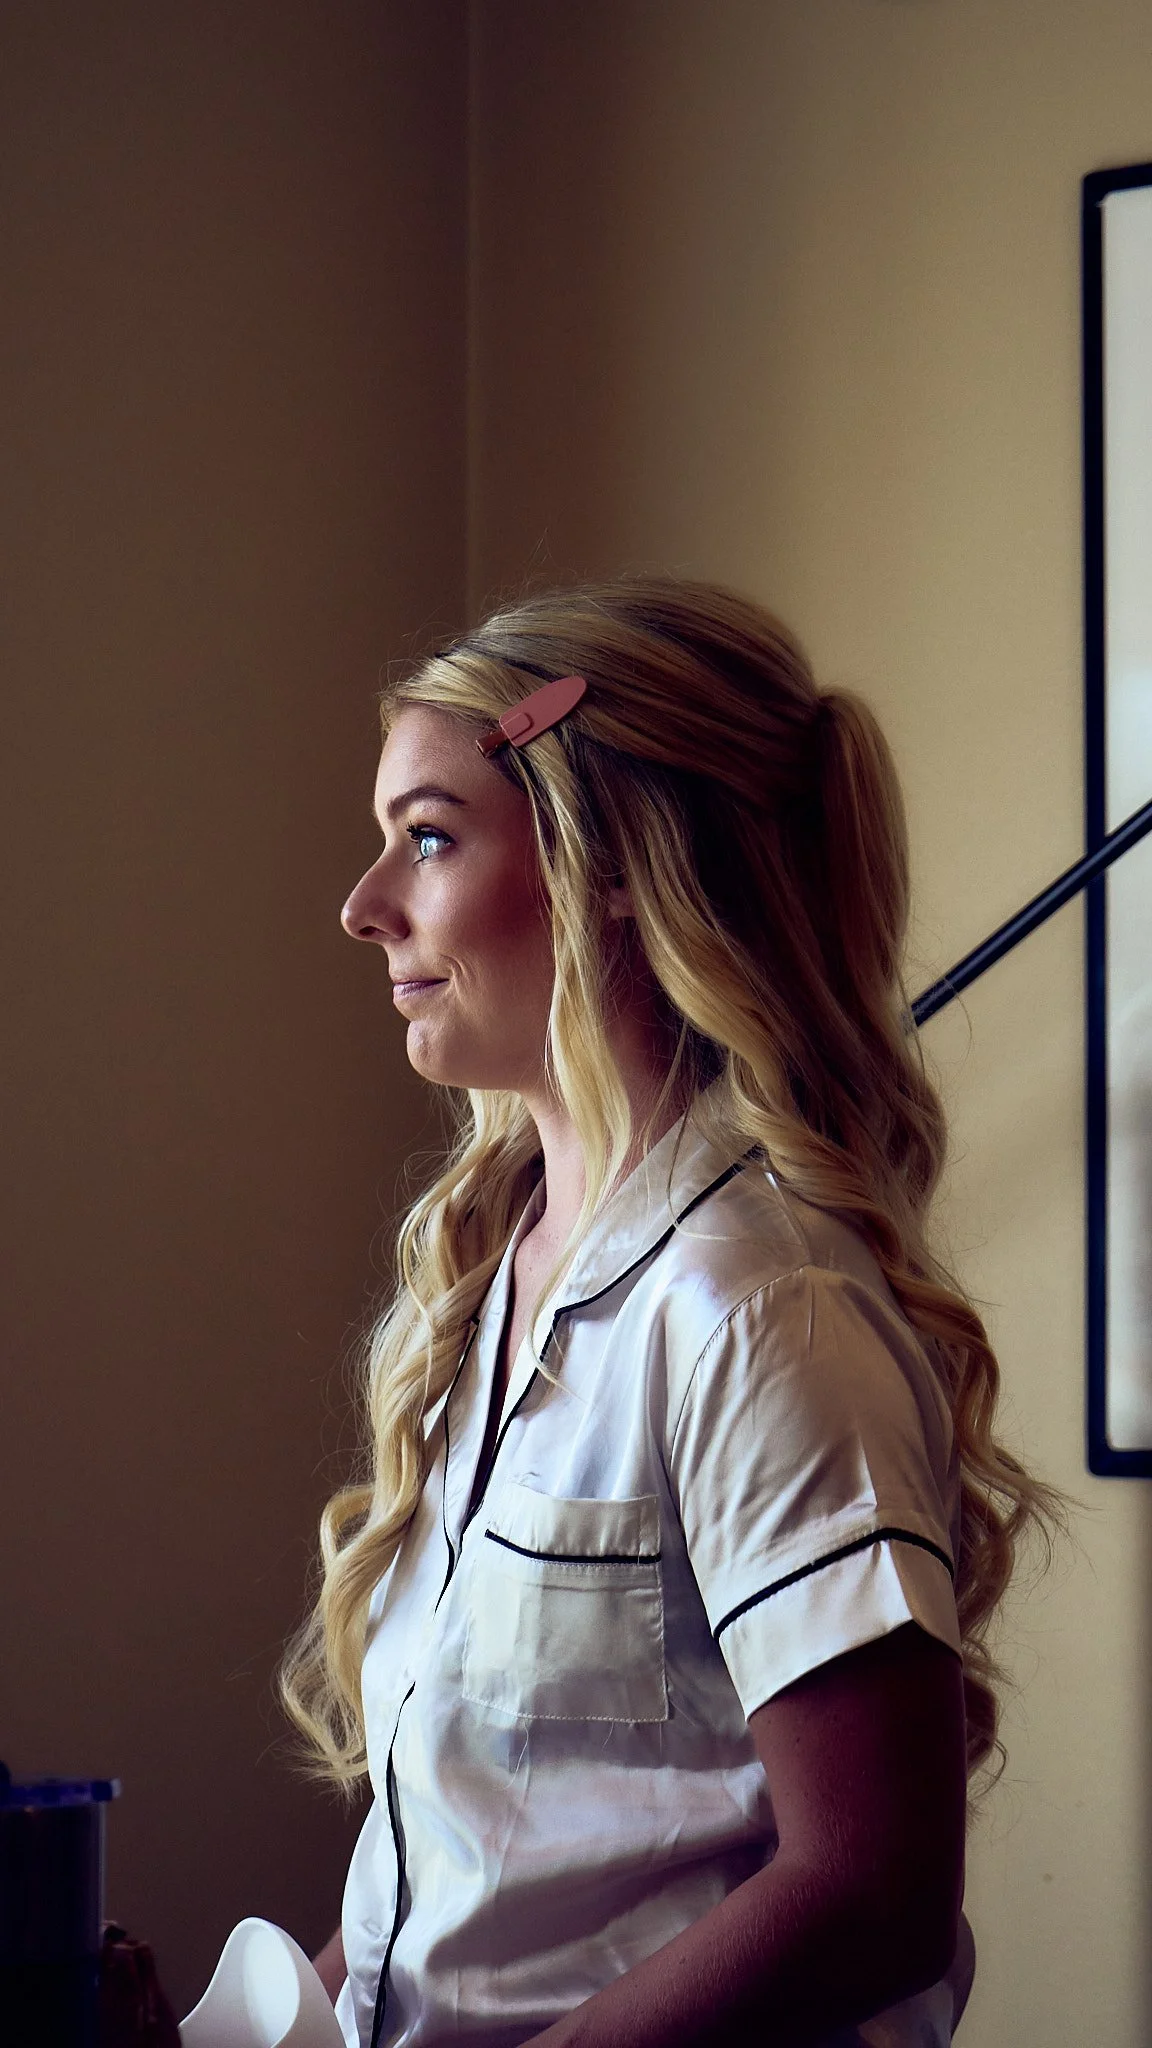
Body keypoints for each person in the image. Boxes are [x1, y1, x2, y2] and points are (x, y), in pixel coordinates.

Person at [280, 578, 1056, 2048]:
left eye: (429, 837)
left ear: (610, 863)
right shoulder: (490, 1289)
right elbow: (474, 1872)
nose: (364, 904)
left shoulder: (760, 1313)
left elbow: (875, 1885)